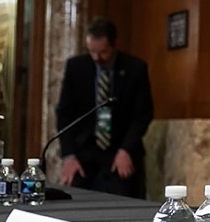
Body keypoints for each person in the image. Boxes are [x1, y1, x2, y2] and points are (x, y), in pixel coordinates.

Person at [56, 17, 154, 198]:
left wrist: (126, 150)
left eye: (103, 52)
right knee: (72, 194)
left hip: (121, 149)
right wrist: (68, 156)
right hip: (85, 151)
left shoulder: (135, 69)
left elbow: (143, 114)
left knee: (123, 195)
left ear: (115, 44)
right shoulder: (76, 67)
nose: (97, 58)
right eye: (91, 52)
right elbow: (64, 113)